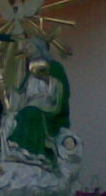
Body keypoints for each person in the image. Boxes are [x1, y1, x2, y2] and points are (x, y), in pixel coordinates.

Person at [5, 37, 70, 167]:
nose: (27, 51)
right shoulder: (29, 73)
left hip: (48, 105)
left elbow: (60, 89)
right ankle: (18, 150)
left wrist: (46, 79)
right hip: (31, 105)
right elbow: (22, 95)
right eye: (26, 48)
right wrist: (9, 92)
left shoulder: (54, 67)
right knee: (18, 116)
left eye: (30, 47)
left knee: (29, 114)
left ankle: (35, 152)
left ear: (40, 49)